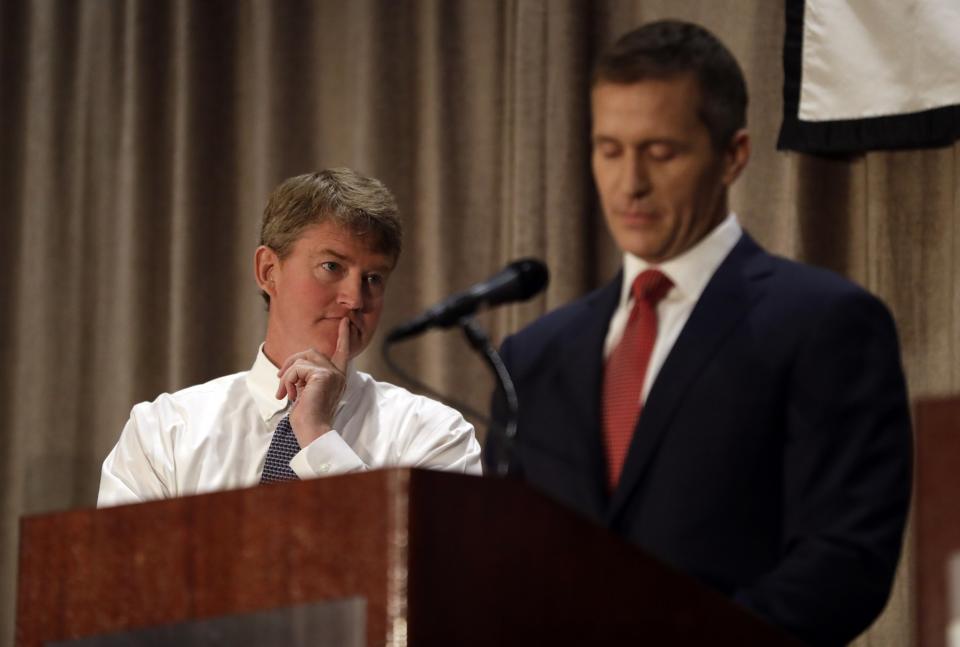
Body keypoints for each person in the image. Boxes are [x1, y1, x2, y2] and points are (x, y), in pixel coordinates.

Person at [487, 20, 911, 647]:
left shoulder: (824, 322)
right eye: (609, 149)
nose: (629, 183)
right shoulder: (535, 356)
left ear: (733, 155)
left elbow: (846, 560)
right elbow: (505, 571)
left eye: (661, 153)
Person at [100, 168, 482, 507]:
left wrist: (318, 437)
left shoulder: (434, 434)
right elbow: (120, 576)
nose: (354, 298)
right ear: (268, 271)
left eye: (373, 278)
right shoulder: (166, 431)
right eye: (331, 267)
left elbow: (428, 571)